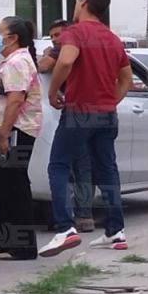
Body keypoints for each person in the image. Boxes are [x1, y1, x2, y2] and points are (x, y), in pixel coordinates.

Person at [39, 0, 133, 257]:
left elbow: (66, 61)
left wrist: (53, 89)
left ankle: (65, 229)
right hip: (106, 114)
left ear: (83, 3)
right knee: (107, 170)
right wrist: (108, 102)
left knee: (58, 165)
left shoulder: (75, 32)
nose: (75, 3)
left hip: (78, 112)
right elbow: (126, 79)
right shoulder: (113, 39)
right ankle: (116, 232)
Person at [0, 16, 44, 260]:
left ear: (13, 37)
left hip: (15, 130)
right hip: (3, 129)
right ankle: (4, 241)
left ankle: (22, 246)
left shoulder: (18, 62)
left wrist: (4, 134)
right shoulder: (11, 61)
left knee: (14, 187)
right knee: (2, 188)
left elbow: (16, 100)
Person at [38, 19, 95, 233]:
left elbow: (43, 66)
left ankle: (67, 219)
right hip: (92, 111)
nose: (55, 39)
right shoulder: (84, 49)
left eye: (58, 34)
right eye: (51, 36)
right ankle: (84, 215)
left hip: (73, 112)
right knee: (85, 165)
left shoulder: (60, 53)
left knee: (63, 165)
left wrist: (47, 55)